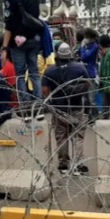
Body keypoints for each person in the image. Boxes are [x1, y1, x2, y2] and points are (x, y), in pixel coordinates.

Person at [42, 43, 90, 175]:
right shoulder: (79, 67)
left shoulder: (50, 70)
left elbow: (45, 90)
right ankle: (79, 163)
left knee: (61, 136)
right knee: (77, 136)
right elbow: (87, 84)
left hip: (59, 108)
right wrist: (76, 92)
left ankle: (64, 164)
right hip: (76, 107)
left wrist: (52, 100)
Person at [1, 0, 42, 104]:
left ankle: (25, 105)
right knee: (34, 73)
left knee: (19, 74)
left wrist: (5, 48)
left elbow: (9, 23)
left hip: (18, 41)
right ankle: (38, 105)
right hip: (34, 37)